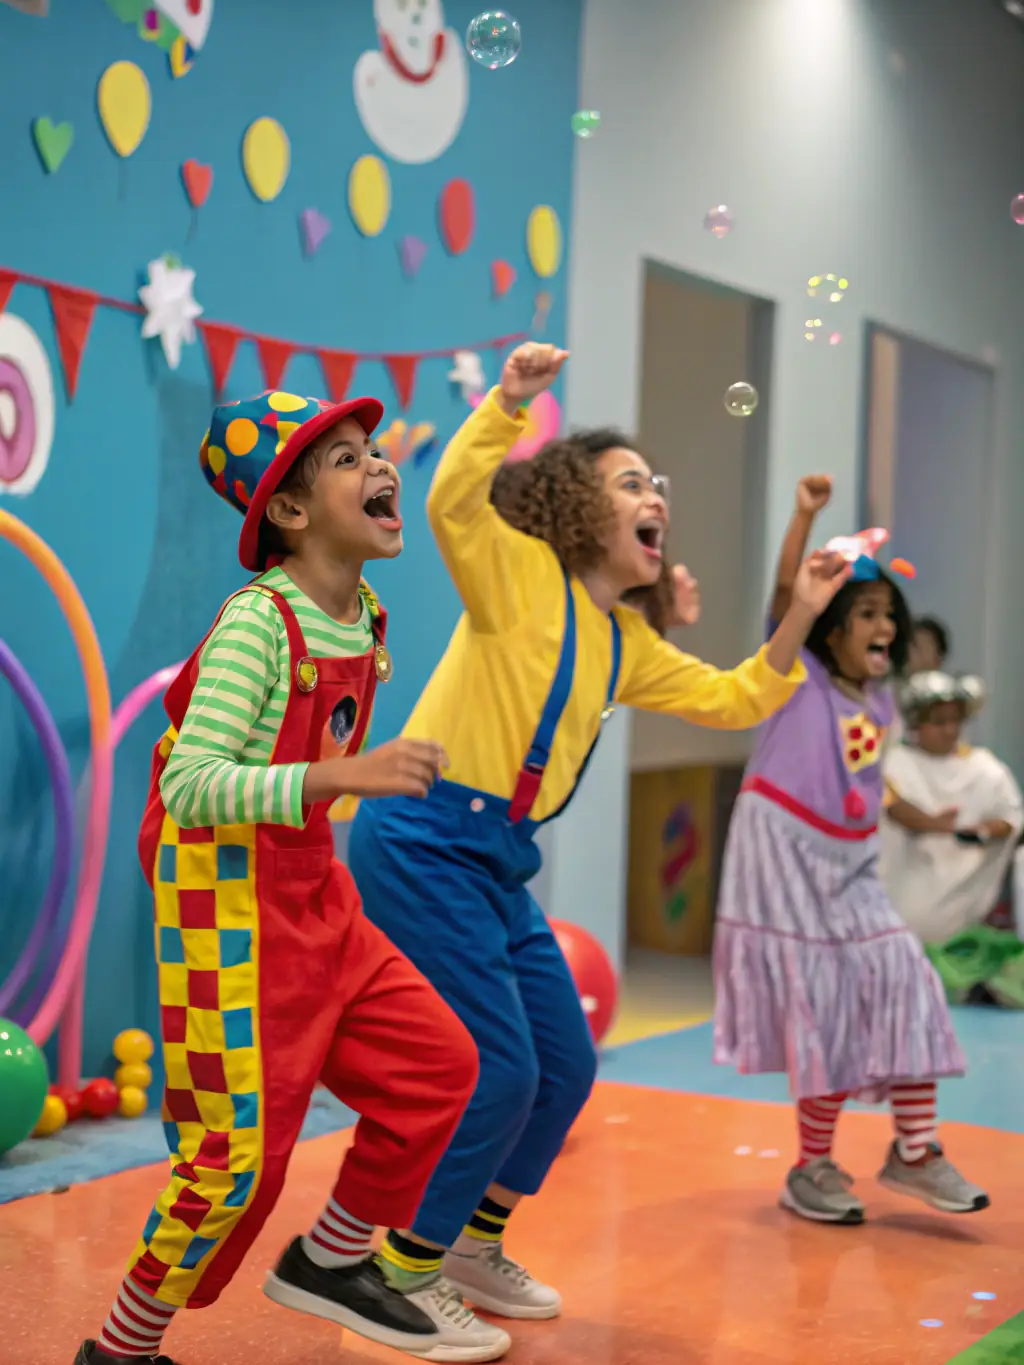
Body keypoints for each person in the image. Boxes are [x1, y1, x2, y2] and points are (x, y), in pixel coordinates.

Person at [345, 342, 853, 1361]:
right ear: (579, 509)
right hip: (421, 835)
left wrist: (801, 608)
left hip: (496, 860)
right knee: (497, 1066)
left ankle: (470, 1247)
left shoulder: (624, 641)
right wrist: (507, 403)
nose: (653, 493)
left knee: (565, 1064)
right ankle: (397, 1274)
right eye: (630, 481)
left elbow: (737, 697)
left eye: (654, 484)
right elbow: (451, 500)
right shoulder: (515, 575)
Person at [75, 390, 479, 1365]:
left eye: (375, 448)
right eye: (346, 459)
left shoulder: (365, 612)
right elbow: (189, 780)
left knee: (438, 1065)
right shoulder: (258, 624)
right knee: (229, 1163)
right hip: (221, 900)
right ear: (290, 513)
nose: (380, 465)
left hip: (307, 888)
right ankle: (120, 1352)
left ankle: (331, 1259)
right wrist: (342, 776)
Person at [713, 474, 989, 1227]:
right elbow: (782, 594)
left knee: (908, 976)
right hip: (784, 853)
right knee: (825, 1008)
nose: (886, 629)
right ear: (829, 626)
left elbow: (873, 788)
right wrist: (804, 518)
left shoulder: (880, 701)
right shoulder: (796, 674)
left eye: (889, 617)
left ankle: (915, 1149)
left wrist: (929, 819)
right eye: (868, 614)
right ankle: (813, 1167)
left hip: (851, 860)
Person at [880, 671, 1024, 1002]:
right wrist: (938, 825)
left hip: (959, 919)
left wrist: (984, 832)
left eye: (954, 721)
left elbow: (1010, 817)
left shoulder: (985, 768)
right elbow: (893, 807)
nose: (949, 730)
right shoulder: (894, 764)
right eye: (938, 721)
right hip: (902, 905)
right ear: (917, 723)